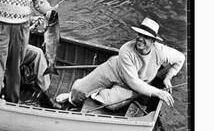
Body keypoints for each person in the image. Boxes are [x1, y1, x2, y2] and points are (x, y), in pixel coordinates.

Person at [57, 17, 185, 110]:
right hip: (114, 70)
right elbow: (133, 81)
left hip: (133, 85)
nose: (140, 38)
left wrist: (169, 77)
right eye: (140, 34)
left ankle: (95, 94)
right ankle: (71, 98)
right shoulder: (126, 49)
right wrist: (159, 92)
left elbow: (180, 59)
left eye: (146, 37)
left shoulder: (162, 52)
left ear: (153, 41)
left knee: (110, 104)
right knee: (78, 90)